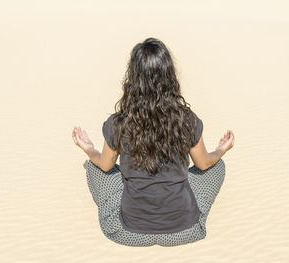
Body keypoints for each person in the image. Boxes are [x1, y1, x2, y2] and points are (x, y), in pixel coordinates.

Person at [72, 37, 235, 247]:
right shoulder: (187, 120)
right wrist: (221, 149)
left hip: (129, 232)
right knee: (216, 166)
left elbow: (105, 165)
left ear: (133, 77)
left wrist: (89, 149)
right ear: (169, 76)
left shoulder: (118, 123)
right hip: (185, 230)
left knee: (94, 168)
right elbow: (204, 164)